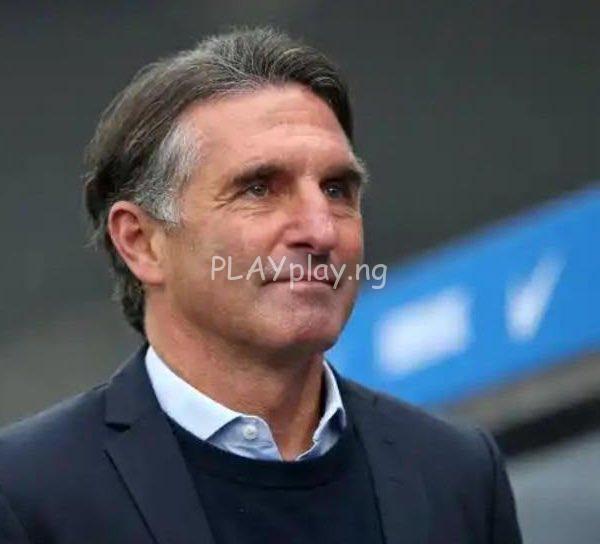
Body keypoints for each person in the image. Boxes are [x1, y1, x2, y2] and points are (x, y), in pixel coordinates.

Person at [0, 27, 521, 543]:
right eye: (258, 189)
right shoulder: (26, 493)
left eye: (336, 189)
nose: (320, 231)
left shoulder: (458, 474)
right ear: (141, 242)